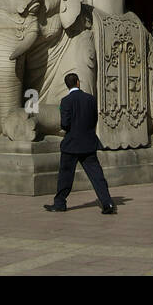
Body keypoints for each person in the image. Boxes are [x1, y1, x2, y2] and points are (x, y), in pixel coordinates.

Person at [44, 73, 116, 214]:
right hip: (88, 143)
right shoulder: (90, 99)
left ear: (67, 85)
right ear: (78, 82)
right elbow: (94, 119)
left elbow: (65, 124)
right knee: (96, 175)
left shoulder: (65, 101)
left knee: (65, 176)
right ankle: (107, 203)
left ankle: (60, 203)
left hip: (71, 144)